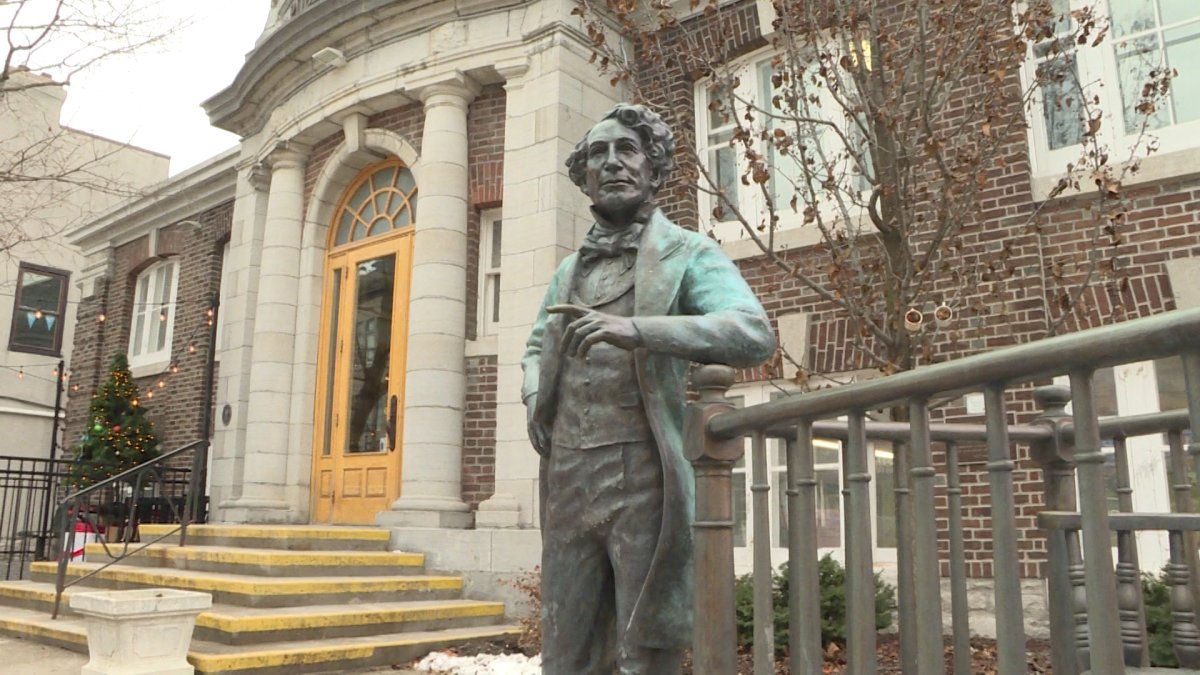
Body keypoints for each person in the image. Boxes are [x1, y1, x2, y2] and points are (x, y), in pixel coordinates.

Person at [521, 103, 774, 674]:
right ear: (583, 176)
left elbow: (752, 332)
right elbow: (537, 346)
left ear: (654, 169)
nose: (611, 163)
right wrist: (536, 396)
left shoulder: (689, 253)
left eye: (626, 151)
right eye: (596, 155)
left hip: (643, 472)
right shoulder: (568, 271)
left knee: (646, 648)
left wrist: (639, 331)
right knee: (566, 647)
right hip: (567, 475)